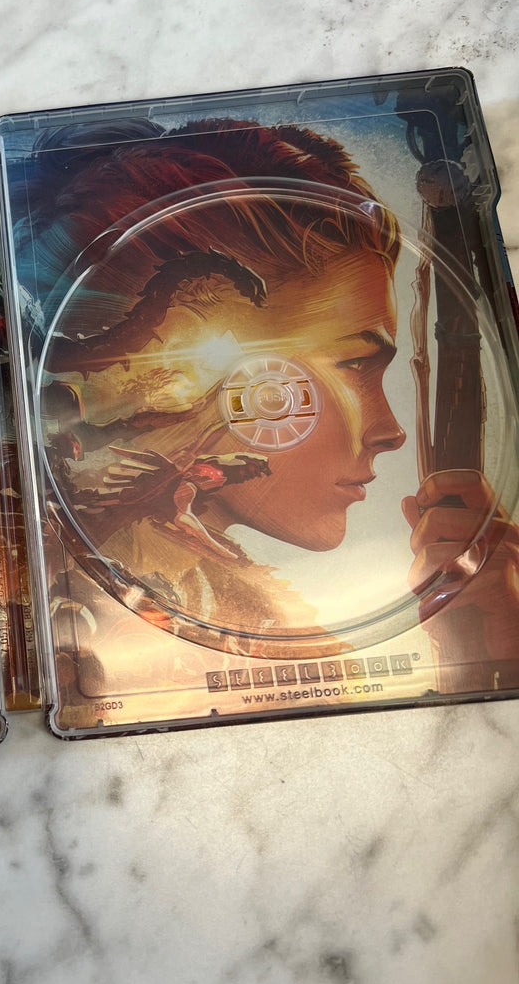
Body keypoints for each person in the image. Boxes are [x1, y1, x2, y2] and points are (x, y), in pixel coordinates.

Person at [33, 118, 519, 683]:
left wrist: (492, 650)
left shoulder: (242, 605)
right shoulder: (42, 594)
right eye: (353, 365)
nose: (391, 432)